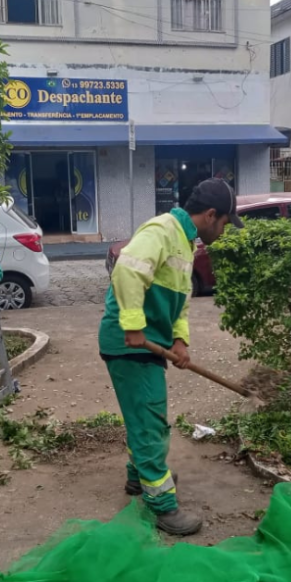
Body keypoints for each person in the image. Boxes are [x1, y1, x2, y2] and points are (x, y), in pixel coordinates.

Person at [98, 179, 243, 536]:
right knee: (151, 422)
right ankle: (162, 505)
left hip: (151, 343)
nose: (223, 232)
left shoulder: (184, 241)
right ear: (210, 215)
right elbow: (127, 271)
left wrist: (180, 340)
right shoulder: (163, 230)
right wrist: (133, 324)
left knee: (141, 416)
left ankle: (139, 478)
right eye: (224, 223)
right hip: (130, 345)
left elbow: (179, 300)